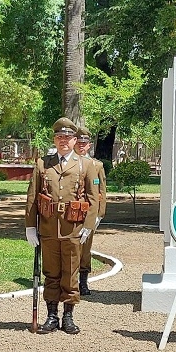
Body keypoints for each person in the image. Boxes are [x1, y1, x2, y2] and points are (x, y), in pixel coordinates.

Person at [25, 118, 99, 334]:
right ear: (55, 140)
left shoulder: (86, 165)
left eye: (67, 137)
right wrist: (30, 226)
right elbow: (32, 198)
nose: (63, 141)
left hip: (73, 229)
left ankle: (68, 316)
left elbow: (93, 199)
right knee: (51, 272)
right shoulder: (43, 164)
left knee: (70, 273)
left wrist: (88, 225)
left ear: (75, 140)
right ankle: (51, 315)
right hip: (48, 228)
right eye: (59, 137)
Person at [74, 126, 107, 296]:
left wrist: (99, 215)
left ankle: (83, 282)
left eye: (84, 142)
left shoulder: (97, 165)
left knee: (85, 249)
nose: (81, 145)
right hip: (71, 212)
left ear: (89, 145)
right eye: (78, 142)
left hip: (89, 212)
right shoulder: (69, 163)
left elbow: (101, 191)